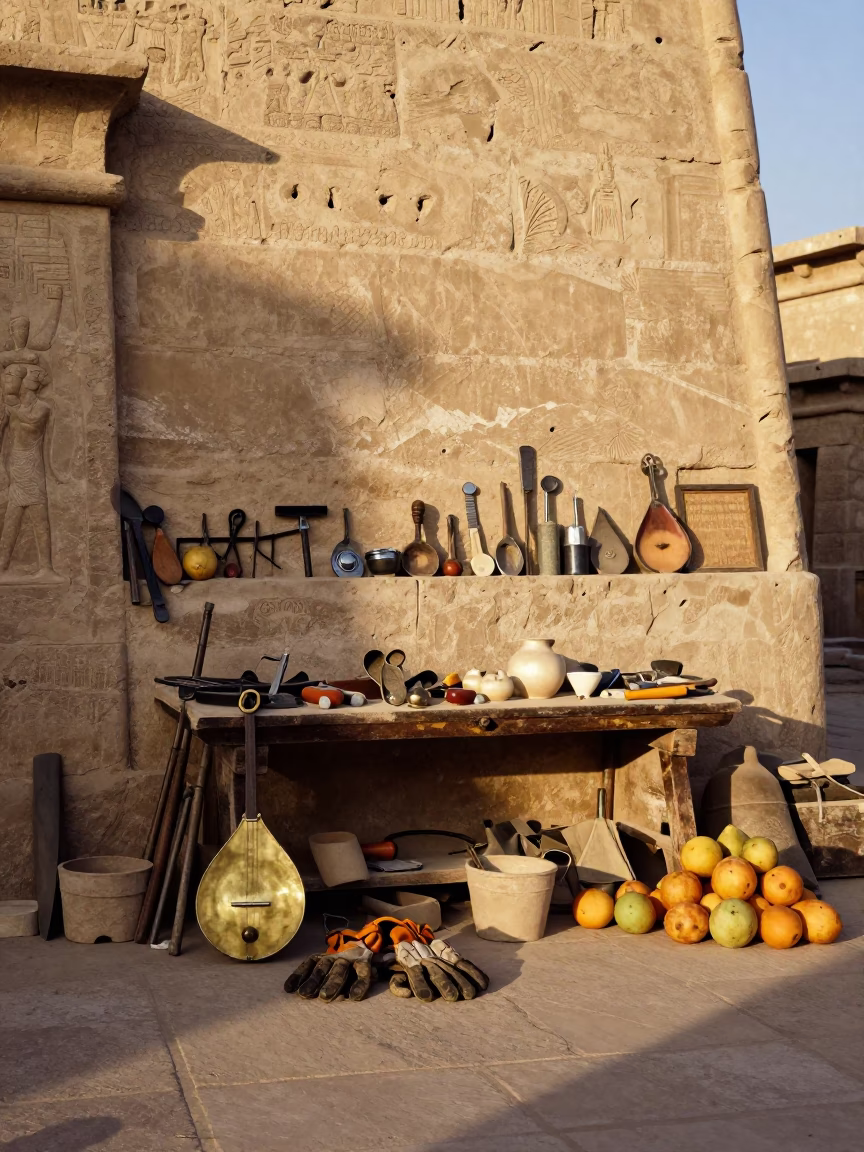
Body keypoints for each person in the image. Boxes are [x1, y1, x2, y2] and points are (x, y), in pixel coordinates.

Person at [0, 363, 62, 582]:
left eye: (11, 380)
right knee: (12, 516)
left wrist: (13, 410)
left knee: (38, 513)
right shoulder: (10, 408)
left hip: (32, 463)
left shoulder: (42, 407)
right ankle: (3, 566)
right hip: (16, 463)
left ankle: (46, 568)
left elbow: (33, 422)